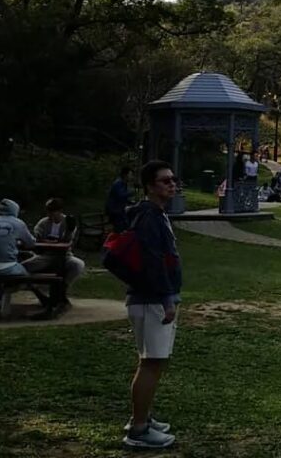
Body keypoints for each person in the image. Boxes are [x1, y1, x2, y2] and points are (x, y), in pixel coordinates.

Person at [122, 160, 182, 450]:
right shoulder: (148, 216)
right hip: (151, 300)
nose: (171, 184)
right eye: (164, 181)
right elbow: (152, 262)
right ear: (149, 186)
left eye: (173, 179)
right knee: (151, 363)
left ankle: (143, 416)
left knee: (153, 362)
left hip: (153, 299)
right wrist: (166, 298)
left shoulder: (155, 214)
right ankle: (138, 428)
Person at [0, 199, 36, 313]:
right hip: (7, 267)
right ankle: (5, 296)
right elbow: (31, 243)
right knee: (26, 274)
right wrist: (18, 242)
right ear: (15, 210)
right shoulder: (18, 223)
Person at [25, 197, 86, 294]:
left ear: (60, 210)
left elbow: (68, 241)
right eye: (48, 211)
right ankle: (35, 289)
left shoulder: (68, 222)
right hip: (46, 256)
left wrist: (68, 232)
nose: (50, 214)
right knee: (23, 267)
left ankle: (62, 289)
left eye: (53, 211)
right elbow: (37, 238)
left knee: (78, 264)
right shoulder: (43, 223)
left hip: (65, 256)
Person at [106, 166, 133, 233]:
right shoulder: (118, 183)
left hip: (120, 209)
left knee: (127, 224)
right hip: (115, 210)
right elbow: (120, 195)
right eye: (130, 175)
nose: (131, 177)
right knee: (120, 228)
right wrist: (130, 193)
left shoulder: (124, 184)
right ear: (125, 175)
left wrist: (130, 202)